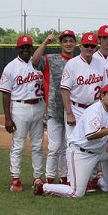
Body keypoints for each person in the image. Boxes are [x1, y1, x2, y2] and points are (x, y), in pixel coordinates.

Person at [33, 83, 108, 198]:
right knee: (76, 192)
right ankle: (43, 187)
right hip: (81, 153)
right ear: (102, 95)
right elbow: (91, 135)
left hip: (99, 152)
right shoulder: (94, 110)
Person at [0, 35, 45, 191]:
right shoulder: (11, 67)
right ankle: (15, 179)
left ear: (32, 48)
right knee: (18, 145)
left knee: (38, 145)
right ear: (17, 49)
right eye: (22, 47)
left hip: (39, 106)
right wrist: (8, 118)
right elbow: (6, 94)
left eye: (28, 47)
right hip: (20, 107)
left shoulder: (38, 63)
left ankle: (38, 177)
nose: (26, 49)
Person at [32, 30, 76, 185]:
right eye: (65, 41)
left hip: (72, 110)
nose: (68, 44)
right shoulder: (51, 59)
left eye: (71, 41)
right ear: (61, 43)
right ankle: (50, 178)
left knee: (66, 147)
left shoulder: (77, 62)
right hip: (54, 108)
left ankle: (64, 177)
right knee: (55, 147)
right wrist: (45, 42)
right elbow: (35, 61)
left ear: (75, 43)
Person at [61, 32, 104, 139]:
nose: (89, 48)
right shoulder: (72, 64)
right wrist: (69, 113)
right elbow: (64, 90)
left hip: (94, 108)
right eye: (86, 45)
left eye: (92, 46)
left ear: (96, 48)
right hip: (76, 109)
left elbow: (104, 89)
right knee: (73, 141)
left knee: (93, 141)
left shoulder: (100, 64)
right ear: (80, 47)